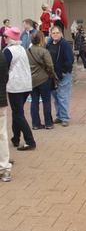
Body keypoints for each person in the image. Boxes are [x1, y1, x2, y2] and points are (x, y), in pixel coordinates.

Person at [3, 27, 36, 151]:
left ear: (10, 38)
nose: (4, 38)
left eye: (5, 36)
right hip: (26, 85)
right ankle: (16, 138)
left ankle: (30, 141)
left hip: (15, 86)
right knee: (18, 112)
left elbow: (3, 68)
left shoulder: (8, 51)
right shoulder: (21, 48)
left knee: (18, 114)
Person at [27, 31, 57, 130]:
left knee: (34, 101)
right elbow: (50, 65)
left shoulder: (28, 51)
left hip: (32, 80)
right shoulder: (44, 51)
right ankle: (48, 123)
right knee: (46, 101)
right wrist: (52, 75)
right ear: (41, 39)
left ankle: (36, 124)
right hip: (44, 79)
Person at [47, 25, 74, 127]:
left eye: (57, 33)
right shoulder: (49, 44)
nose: (55, 35)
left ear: (61, 34)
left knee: (62, 96)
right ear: (50, 34)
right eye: (53, 33)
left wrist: (63, 72)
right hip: (52, 75)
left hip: (63, 74)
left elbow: (70, 60)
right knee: (55, 96)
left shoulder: (64, 45)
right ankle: (59, 115)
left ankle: (65, 118)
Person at [0, 50, 12, 181]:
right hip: (1, 100)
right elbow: (6, 78)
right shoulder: (2, 56)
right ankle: (4, 169)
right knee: (2, 135)